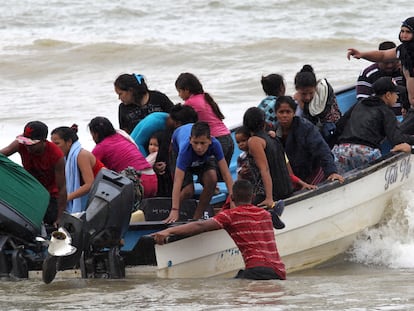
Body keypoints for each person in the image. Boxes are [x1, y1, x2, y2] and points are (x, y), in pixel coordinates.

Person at [153, 179, 286, 280]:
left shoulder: (231, 215)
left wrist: (168, 231)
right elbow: (279, 224)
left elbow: (201, 225)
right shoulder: (266, 214)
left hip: (256, 269)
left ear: (232, 197)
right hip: (279, 271)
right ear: (252, 197)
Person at [332, 77, 414, 174]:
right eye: (396, 93)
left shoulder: (359, 104)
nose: (397, 97)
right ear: (388, 95)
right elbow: (396, 139)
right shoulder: (386, 112)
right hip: (365, 153)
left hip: (342, 150)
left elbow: (340, 125)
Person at [0, 121, 66, 226]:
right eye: (25, 142)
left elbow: (61, 189)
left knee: (47, 225)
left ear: (43, 141)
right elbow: (2, 156)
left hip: (48, 195)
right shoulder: (20, 144)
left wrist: (60, 217)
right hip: (29, 189)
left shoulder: (56, 155)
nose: (27, 147)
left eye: (31, 144)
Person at [165, 121, 233, 222]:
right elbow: (177, 182)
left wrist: (233, 200)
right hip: (180, 151)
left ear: (210, 140)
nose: (199, 147)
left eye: (202, 143)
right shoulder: (185, 150)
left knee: (212, 179)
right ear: (190, 140)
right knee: (188, 190)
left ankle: (196, 218)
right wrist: (175, 209)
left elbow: (226, 174)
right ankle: (170, 213)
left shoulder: (215, 145)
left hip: (204, 158)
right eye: (195, 143)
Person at [274, 96, 344, 186]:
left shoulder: (305, 128)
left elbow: (322, 149)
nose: (284, 115)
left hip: (313, 169)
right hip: (294, 175)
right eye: (281, 112)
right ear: (276, 113)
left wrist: (332, 172)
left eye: (288, 112)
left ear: (294, 113)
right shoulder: (274, 131)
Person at [347, 17, 414, 107]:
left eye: (408, 32)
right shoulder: (402, 50)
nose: (404, 35)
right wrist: (362, 54)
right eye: (402, 31)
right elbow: (383, 55)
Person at [88, 116, 157, 198]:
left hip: (138, 183)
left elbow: (88, 168)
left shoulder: (100, 148)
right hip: (153, 179)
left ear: (95, 134)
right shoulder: (122, 136)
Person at [175, 72, 234, 167]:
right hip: (228, 138)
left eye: (179, 91)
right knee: (223, 174)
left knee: (212, 176)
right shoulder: (205, 97)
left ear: (186, 90)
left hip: (215, 140)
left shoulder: (189, 103)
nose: (179, 95)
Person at [243, 107, 293, 208]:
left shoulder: (254, 141)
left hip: (269, 193)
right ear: (264, 122)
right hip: (286, 188)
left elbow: (264, 170)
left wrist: (269, 198)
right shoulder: (272, 137)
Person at [51, 124, 105, 213]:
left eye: (57, 143)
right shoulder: (65, 158)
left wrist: (66, 198)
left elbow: (89, 184)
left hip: (103, 193)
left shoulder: (81, 155)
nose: (54, 147)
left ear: (69, 142)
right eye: (52, 144)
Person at [294, 64, 342, 147]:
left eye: (311, 93)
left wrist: (301, 102)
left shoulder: (323, 93)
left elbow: (315, 113)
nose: (308, 97)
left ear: (315, 87)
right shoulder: (296, 102)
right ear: (297, 90)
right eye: (303, 94)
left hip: (331, 128)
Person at [355, 41, 404, 115]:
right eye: (386, 62)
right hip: (379, 117)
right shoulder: (368, 74)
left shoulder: (406, 70)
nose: (389, 65)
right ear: (378, 59)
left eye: (393, 62)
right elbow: (363, 101)